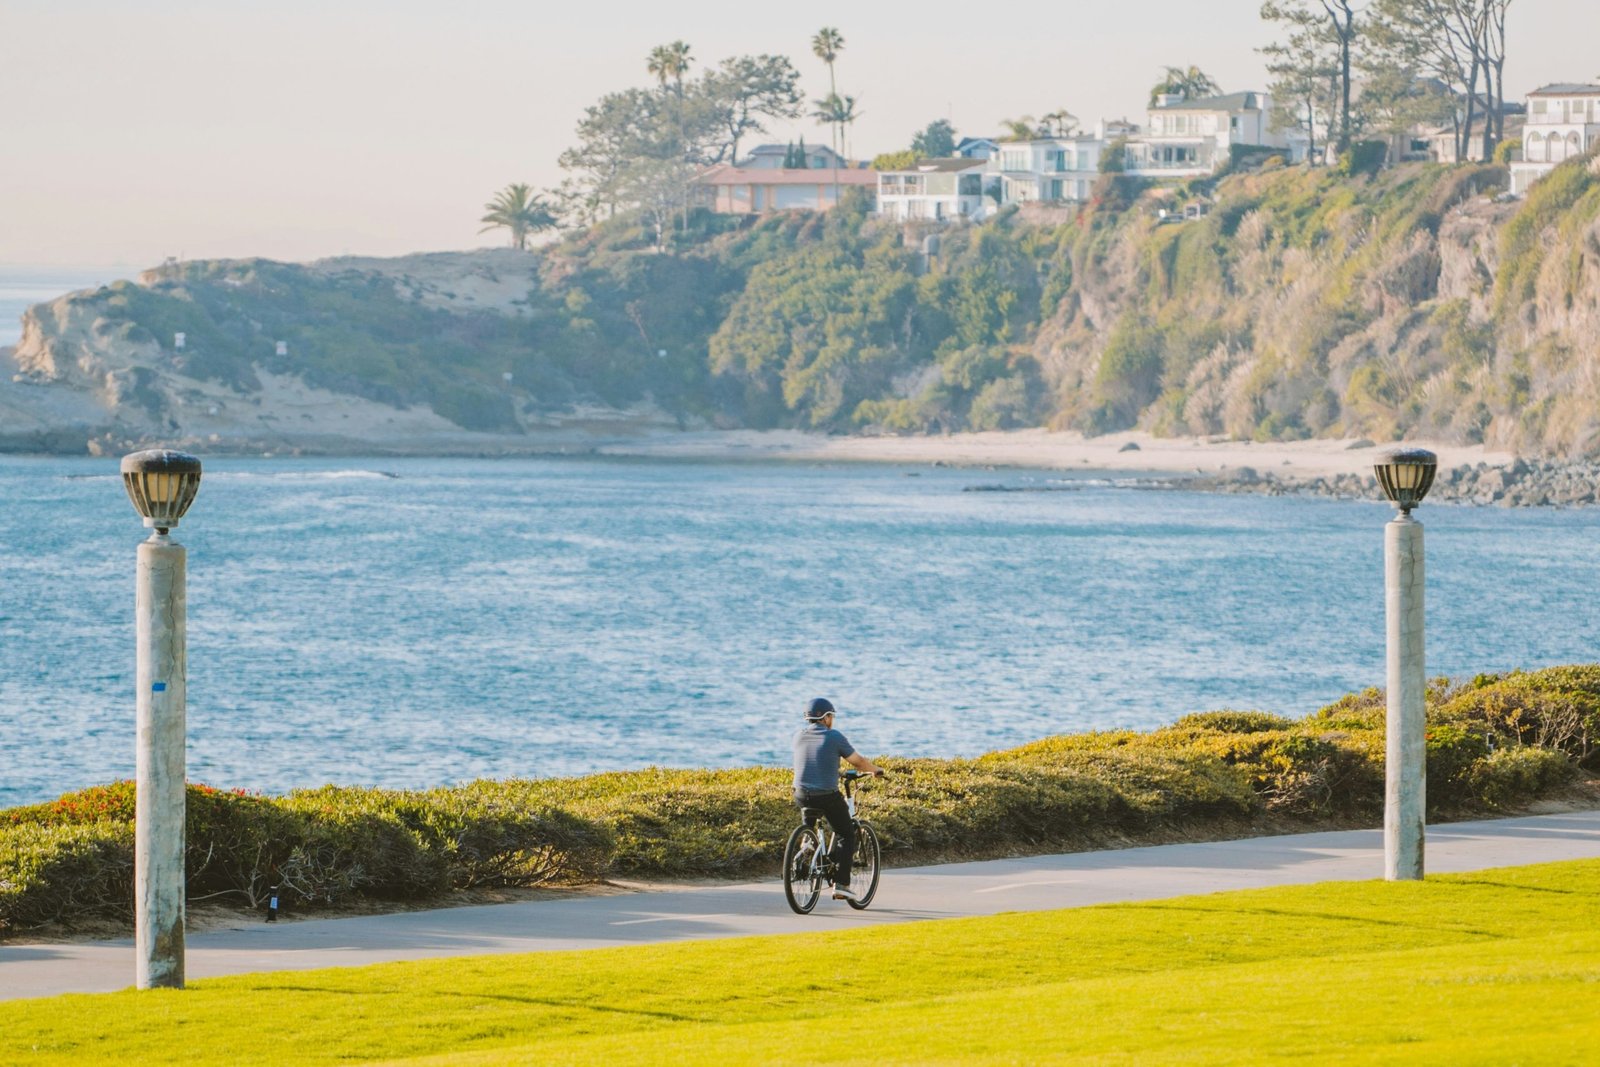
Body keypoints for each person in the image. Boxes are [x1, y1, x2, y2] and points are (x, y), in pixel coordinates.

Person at [792, 697, 886, 902]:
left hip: (800, 794)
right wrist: (875, 770)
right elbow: (858, 761)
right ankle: (842, 884)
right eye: (831, 716)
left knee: (811, 818)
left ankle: (806, 845)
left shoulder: (799, 736)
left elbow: (815, 759)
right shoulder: (833, 736)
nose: (832, 720)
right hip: (825, 795)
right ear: (825, 718)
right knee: (846, 833)